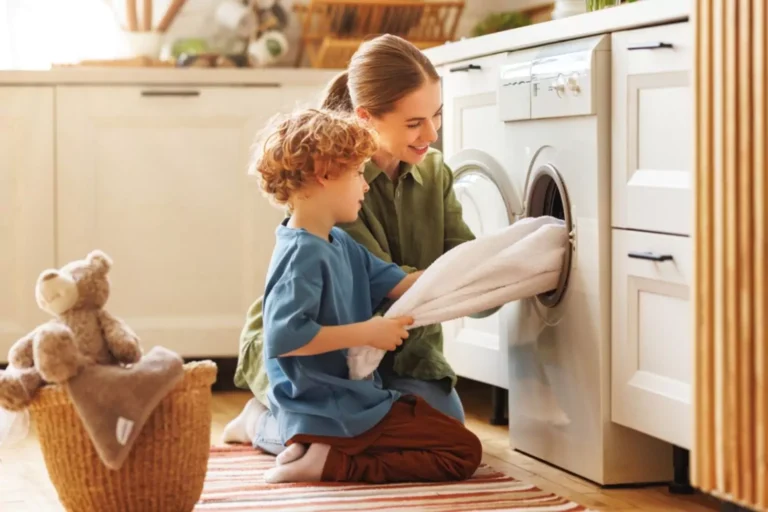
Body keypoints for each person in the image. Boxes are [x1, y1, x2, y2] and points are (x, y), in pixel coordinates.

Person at [224, 33, 484, 455]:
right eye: (414, 123)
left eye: (436, 115)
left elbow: (460, 260)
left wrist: (500, 273)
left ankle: (343, 416)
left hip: (399, 345)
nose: (432, 134)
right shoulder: (333, 179)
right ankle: (260, 421)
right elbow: (376, 284)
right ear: (366, 117)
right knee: (337, 436)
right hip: (319, 350)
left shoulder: (435, 174)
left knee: (440, 427)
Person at [249, 107, 482, 484]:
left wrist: (477, 270)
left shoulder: (339, 242)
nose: (366, 185)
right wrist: (368, 333)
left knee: (448, 436)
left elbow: (402, 284)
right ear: (325, 174)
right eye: (358, 173)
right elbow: (285, 337)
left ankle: (308, 445)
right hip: (325, 405)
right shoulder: (300, 254)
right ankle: (328, 459)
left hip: (352, 400)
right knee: (462, 452)